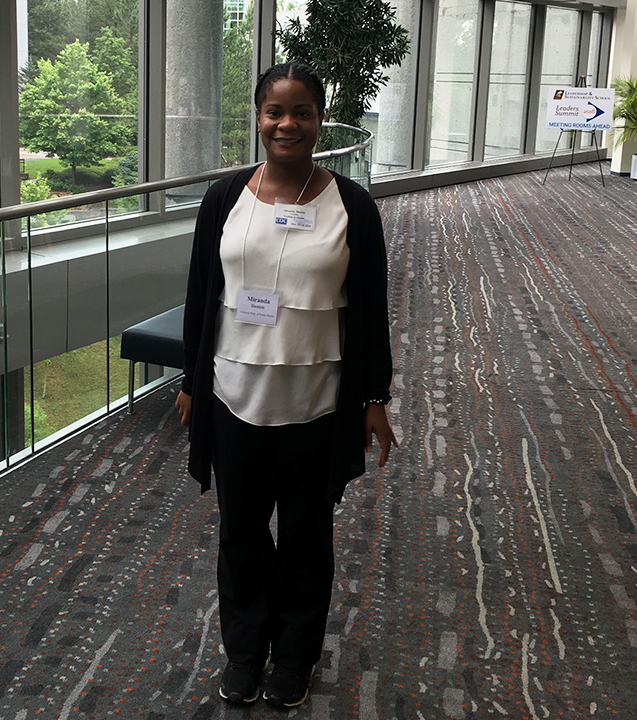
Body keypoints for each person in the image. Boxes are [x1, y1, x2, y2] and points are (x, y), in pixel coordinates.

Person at [173, 63, 398, 709]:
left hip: (317, 405)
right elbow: (201, 297)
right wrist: (192, 378)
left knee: (304, 543)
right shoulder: (224, 199)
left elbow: (372, 307)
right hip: (234, 399)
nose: (286, 124)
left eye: (301, 112)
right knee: (241, 537)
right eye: (275, 111)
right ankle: (245, 654)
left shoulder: (350, 205)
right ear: (257, 116)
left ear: (319, 119)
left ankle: (293, 659)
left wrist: (374, 397)